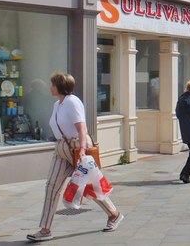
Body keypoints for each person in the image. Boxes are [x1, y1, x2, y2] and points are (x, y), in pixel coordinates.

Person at [27, 73, 123, 242]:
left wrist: (82, 151)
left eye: (53, 84)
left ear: (60, 86)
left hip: (77, 147)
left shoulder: (72, 101)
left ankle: (114, 214)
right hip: (62, 149)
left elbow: (82, 127)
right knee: (51, 186)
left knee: (88, 185)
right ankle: (45, 229)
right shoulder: (58, 104)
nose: (50, 87)